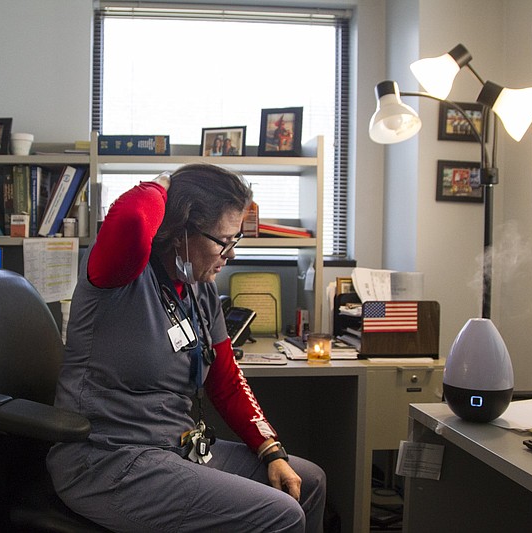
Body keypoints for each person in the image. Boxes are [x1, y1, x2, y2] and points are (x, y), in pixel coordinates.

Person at [47, 163, 326, 532]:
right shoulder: (120, 272)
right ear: (182, 230)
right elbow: (131, 218)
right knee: (280, 514)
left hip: (177, 448)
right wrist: (165, 184)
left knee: (309, 482)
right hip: (107, 460)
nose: (232, 255)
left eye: (236, 240)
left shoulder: (200, 289)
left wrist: (270, 449)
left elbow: (226, 380)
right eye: (224, 241)